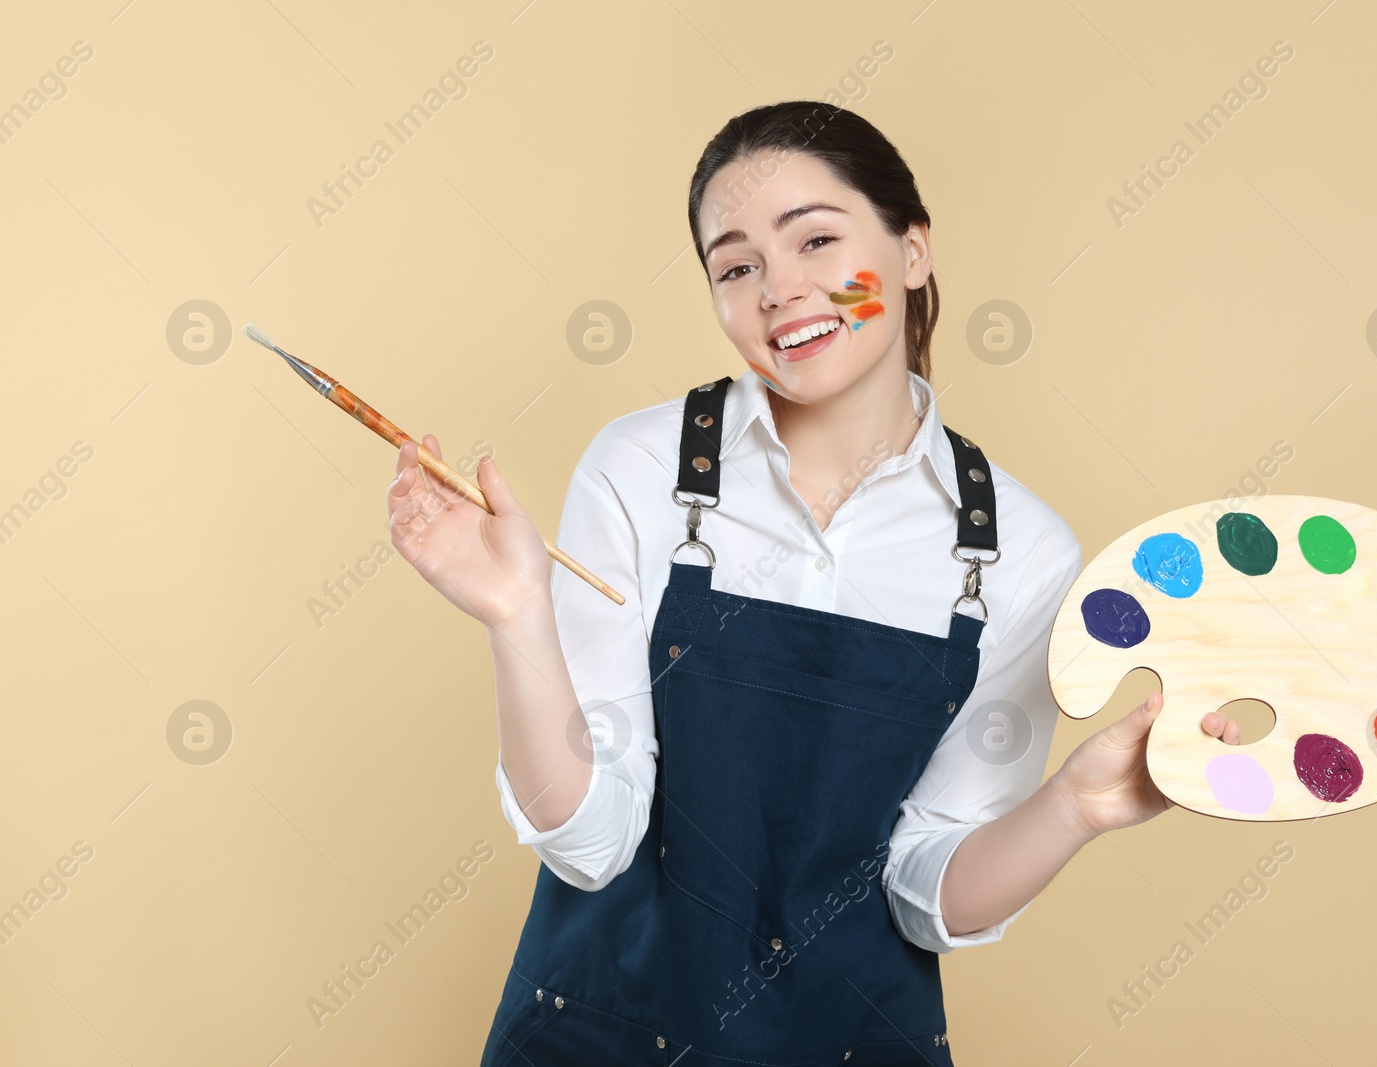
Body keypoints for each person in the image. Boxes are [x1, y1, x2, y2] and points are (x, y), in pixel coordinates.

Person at [387, 101, 1242, 1066]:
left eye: (817, 240)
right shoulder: (638, 468)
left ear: (913, 249)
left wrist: (1073, 808)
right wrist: (517, 618)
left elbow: (930, 897)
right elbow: (590, 841)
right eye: (737, 266)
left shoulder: (1021, 552)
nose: (779, 291)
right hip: (602, 1032)